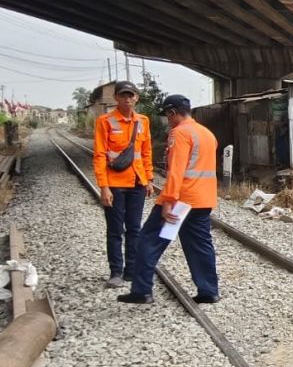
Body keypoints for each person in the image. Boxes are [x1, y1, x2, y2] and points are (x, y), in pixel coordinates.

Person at [119, 95, 220, 305]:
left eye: (167, 115)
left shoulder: (180, 133)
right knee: (200, 245)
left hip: (180, 201)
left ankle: (141, 290)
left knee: (148, 240)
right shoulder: (207, 133)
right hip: (203, 200)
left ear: (172, 112)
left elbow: (176, 171)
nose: (167, 120)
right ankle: (209, 291)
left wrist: (168, 201)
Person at [92, 80, 154, 288]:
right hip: (115, 184)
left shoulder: (143, 121)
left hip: (137, 182)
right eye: (123, 95)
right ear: (116, 98)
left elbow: (146, 152)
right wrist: (104, 186)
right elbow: (100, 155)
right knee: (115, 230)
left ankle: (131, 271)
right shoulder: (105, 121)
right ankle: (116, 272)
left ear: (136, 97)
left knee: (135, 229)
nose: (127, 99)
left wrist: (149, 179)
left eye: (131, 95)